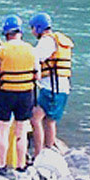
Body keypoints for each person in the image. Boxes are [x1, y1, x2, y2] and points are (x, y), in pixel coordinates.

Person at [0, 15, 39, 173]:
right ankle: (20, 165)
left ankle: (1, 165)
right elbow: (37, 76)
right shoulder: (31, 50)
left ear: (6, 33)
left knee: (3, 130)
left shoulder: (1, 50)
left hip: (6, 93)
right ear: (20, 32)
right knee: (21, 131)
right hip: (26, 94)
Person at [29, 12, 74, 157]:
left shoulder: (46, 41)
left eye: (33, 28)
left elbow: (35, 58)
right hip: (62, 88)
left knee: (35, 118)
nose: (32, 32)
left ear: (38, 27)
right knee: (49, 121)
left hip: (51, 88)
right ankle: (48, 150)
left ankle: (38, 154)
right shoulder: (58, 40)